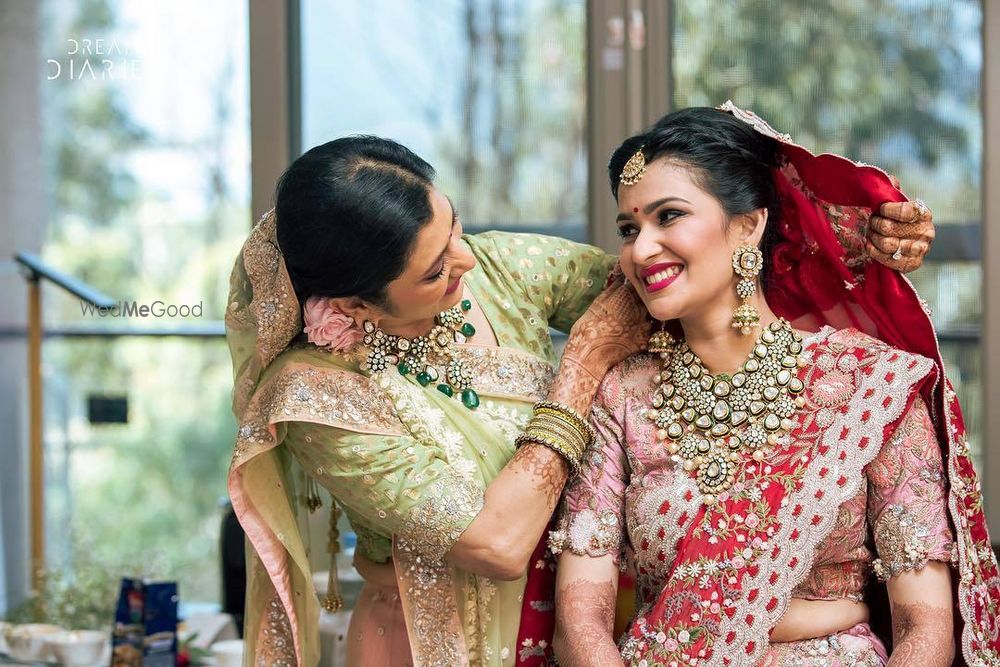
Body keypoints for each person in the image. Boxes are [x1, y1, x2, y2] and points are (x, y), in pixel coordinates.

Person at [224, 131, 934, 666]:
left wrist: (845, 234)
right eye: (438, 266)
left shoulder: (500, 270)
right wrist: (583, 363)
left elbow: (677, 285)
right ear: (357, 303)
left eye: (457, 227)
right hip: (425, 639)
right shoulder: (316, 394)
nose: (468, 261)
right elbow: (497, 544)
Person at [547, 104, 1000, 667]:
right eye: (629, 229)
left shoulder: (867, 385)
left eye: (669, 217)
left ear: (748, 224)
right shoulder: (622, 396)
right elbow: (578, 626)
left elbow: (925, 627)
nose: (641, 249)